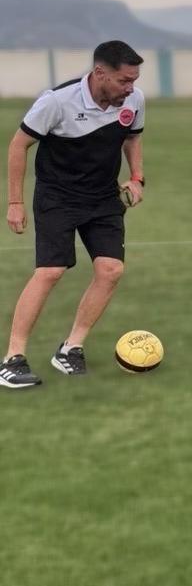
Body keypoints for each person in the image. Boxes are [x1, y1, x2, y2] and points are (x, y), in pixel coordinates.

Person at [0, 40, 146, 389]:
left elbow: (133, 139)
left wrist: (137, 178)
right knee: (50, 271)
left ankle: (71, 348)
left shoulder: (134, 101)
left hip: (103, 197)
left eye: (134, 80)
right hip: (58, 197)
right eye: (124, 80)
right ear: (99, 73)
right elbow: (18, 144)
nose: (131, 88)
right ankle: (12, 359)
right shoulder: (56, 101)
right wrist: (15, 202)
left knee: (111, 270)